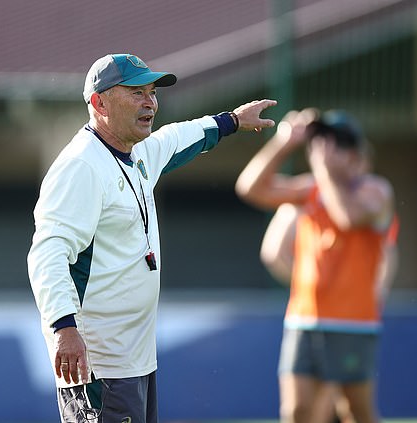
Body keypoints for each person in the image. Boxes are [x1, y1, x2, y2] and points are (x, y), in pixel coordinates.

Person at [27, 53, 276, 423]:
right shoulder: (80, 165)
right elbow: (47, 252)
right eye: (136, 92)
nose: (150, 102)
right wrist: (63, 327)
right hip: (100, 364)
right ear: (99, 102)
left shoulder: (136, 152)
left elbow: (178, 137)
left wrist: (232, 121)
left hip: (135, 359)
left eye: (152, 92)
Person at [235, 108, 396, 423]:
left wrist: (323, 172)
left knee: (355, 412)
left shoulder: (376, 190)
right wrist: (285, 143)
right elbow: (249, 187)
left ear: (352, 154)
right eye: (319, 143)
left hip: (353, 322)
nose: (322, 151)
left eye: (332, 144)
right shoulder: (310, 189)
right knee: (297, 411)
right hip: (304, 319)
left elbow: (347, 218)